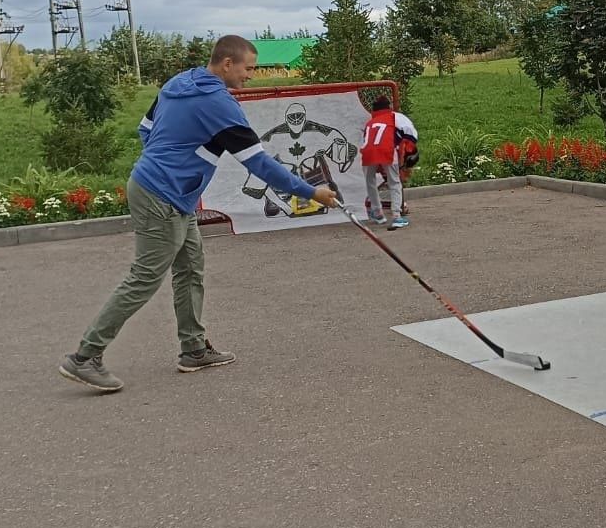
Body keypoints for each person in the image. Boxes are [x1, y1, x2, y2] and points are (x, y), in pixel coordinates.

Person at [59, 36, 339, 393]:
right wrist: (310, 191)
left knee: (190, 266)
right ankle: (85, 357)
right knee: (144, 277)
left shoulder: (178, 82)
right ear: (226, 64)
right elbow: (258, 163)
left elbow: (145, 129)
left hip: (176, 195)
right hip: (161, 194)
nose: (251, 76)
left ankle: (193, 349)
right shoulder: (219, 104)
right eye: (248, 68)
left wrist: (175, 163)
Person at [359, 95, 409, 231]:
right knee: (394, 182)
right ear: (389, 107)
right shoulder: (393, 118)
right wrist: (401, 159)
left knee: (370, 181)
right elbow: (401, 139)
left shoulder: (370, 122)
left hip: (368, 150)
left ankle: (377, 213)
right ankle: (396, 215)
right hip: (387, 149)